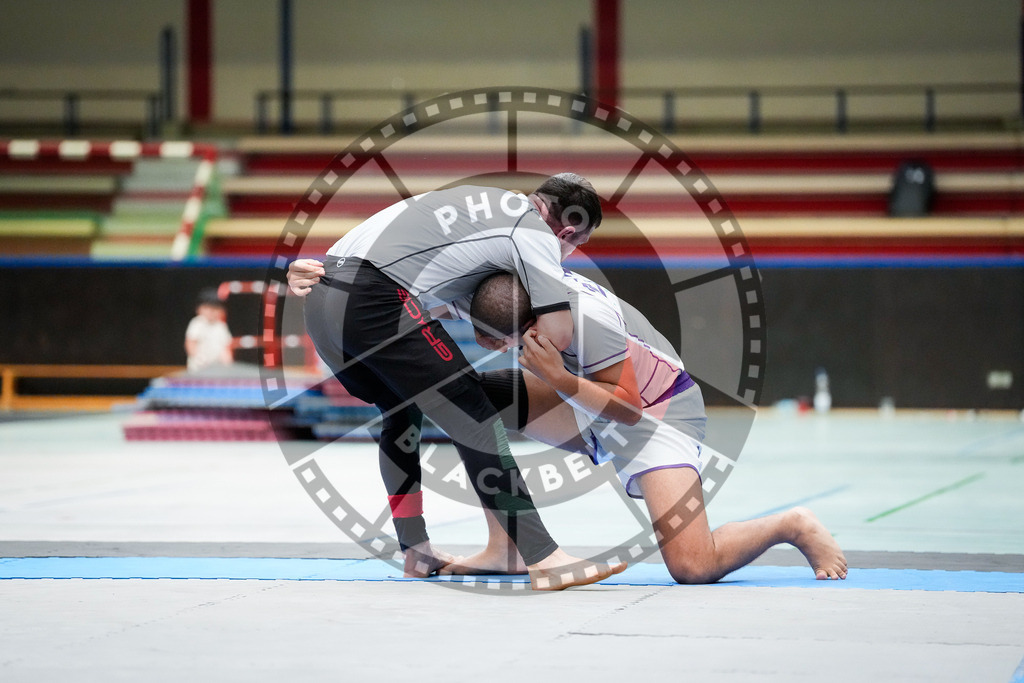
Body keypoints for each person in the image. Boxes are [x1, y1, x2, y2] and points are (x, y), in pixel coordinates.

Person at [287, 173, 627, 590]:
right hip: (373, 298)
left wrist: (490, 324)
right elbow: (557, 334)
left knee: (400, 412)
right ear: (568, 230)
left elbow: (442, 290)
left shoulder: (477, 203)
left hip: (322, 293)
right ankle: (543, 556)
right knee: (474, 412)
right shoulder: (534, 229)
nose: (570, 254)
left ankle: (416, 550)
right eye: (576, 245)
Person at [450, 270, 848, 583]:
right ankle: (508, 545)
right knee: (468, 401)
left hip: (656, 411)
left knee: (693, 566)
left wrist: (559, 379)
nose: (505, 353)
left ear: (530, 323)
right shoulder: (513, 288)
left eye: (506, 344)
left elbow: (629, 410)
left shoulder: (586, 320)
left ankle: (791, 524)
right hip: (585, 398)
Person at [185, 288, 233, 373]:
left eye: (215, 308)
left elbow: (226, 348)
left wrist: (228, 365)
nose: (211, 312)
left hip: (217, 370)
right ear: (199, 309)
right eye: (207, 308)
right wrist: (199, 358)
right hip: (198, 370)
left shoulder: (221, 326)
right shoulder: (197, 323)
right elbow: (190, 343)